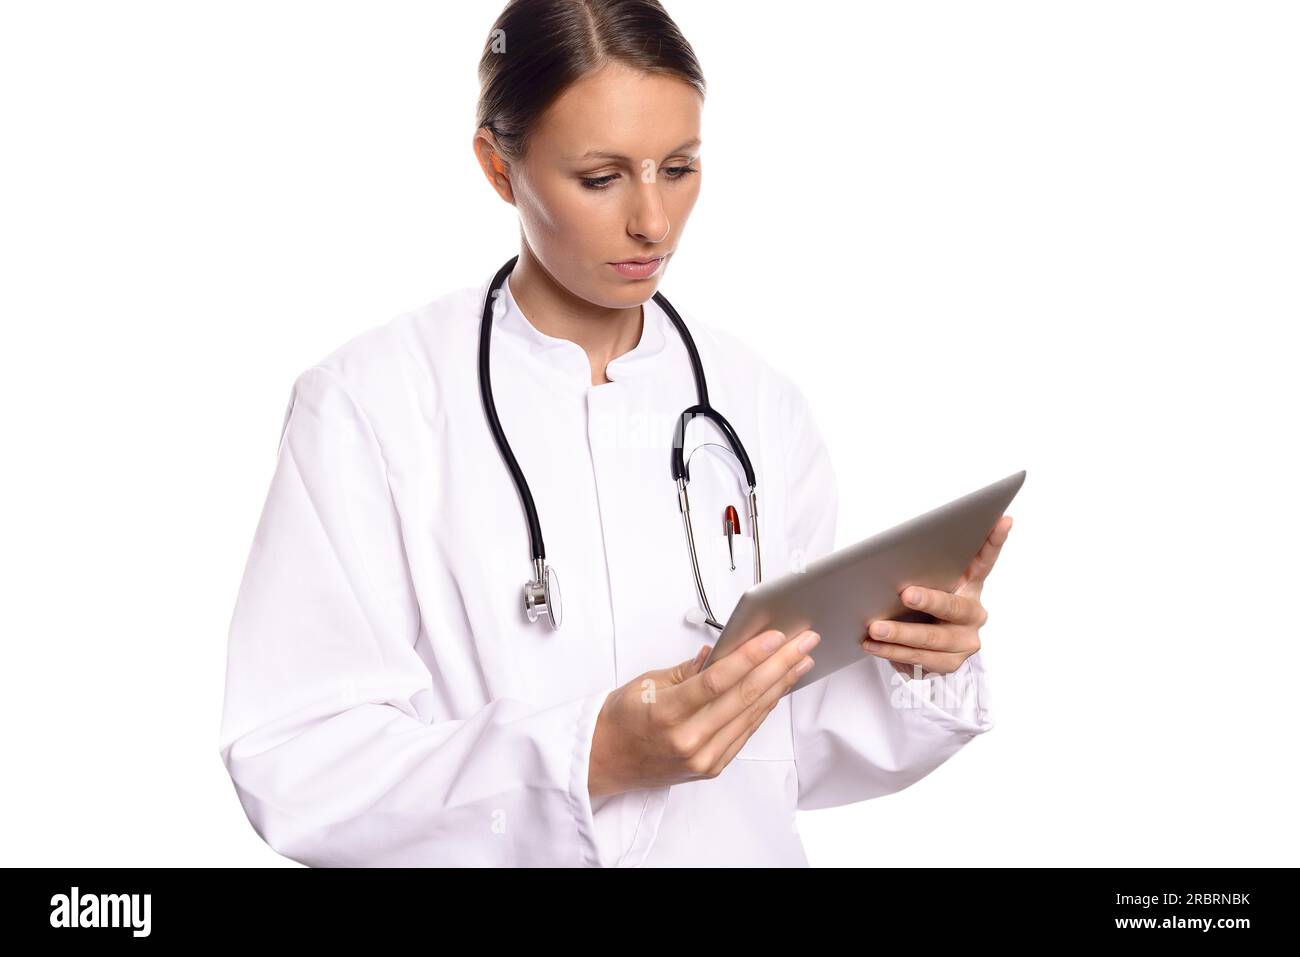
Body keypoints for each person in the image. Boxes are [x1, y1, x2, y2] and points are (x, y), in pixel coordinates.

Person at [217, 0, 1013, 868]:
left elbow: (789, 750)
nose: (654, 222)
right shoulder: (370, 407)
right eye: (601, 178)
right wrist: (590, 757)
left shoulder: (758, 406)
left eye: (679, 168)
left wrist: (910, 654)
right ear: (497, 167)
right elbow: (299, 761)